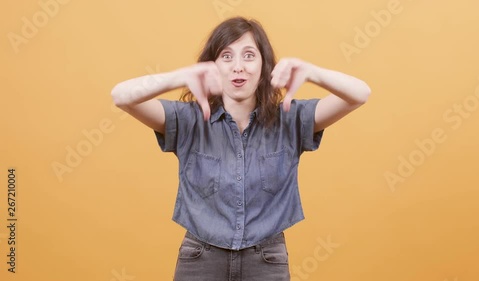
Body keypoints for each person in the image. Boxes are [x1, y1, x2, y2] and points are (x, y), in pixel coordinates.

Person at [111, 16, 371, 281]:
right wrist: (180, 77)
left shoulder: (291, 119)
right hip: (200, 258)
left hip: (267, 260)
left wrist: (312, 72)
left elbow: (360, 94)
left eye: (249, 56)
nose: (238, 67)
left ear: (263, 66)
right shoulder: (188, 120)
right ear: (211, 67)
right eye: (226, 56)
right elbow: (121, 96)